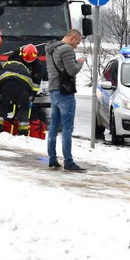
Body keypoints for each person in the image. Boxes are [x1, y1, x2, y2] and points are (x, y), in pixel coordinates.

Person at [45, 29, 86, 172]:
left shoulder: (51, 49)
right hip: (65, 92)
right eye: (77, 42)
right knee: (67, 129)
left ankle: (52, 159)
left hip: (53, 90)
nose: (77, 46)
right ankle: (68, 161)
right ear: (72, 38)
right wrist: (80, 62)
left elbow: (60, 68)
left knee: (53, 127)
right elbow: (72, 70)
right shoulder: (67, 49)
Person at [0, 45, 39, 136]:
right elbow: (31, 87)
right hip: (23, 89)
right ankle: (23, 134)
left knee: (2, 106)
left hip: (7, 87)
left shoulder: (3, 69)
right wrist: (30, 100)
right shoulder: (25, 69)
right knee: (23, 109)